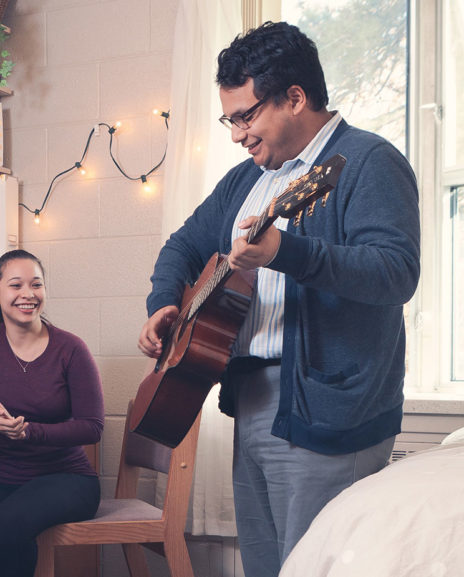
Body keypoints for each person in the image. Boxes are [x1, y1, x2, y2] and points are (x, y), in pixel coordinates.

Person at [137, 21, 420, 577]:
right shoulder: (244, 180)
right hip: (252, 399)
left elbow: (396, 272)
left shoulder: (368, 161)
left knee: (317, 567)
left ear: (295, 98)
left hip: (330, 408)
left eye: (246, 116)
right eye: (230, 119)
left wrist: (284, 251)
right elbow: (183, 245)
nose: (237, 134)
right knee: (268, 567)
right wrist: (163, 301)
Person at [0, 249, 104, 577]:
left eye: (36, 285)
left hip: (68, 479)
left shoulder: (71, 348)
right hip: (4, 477)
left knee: (7, 524)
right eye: (16, 285)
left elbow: (92, 427)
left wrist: (31, 431)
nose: (28, 294)